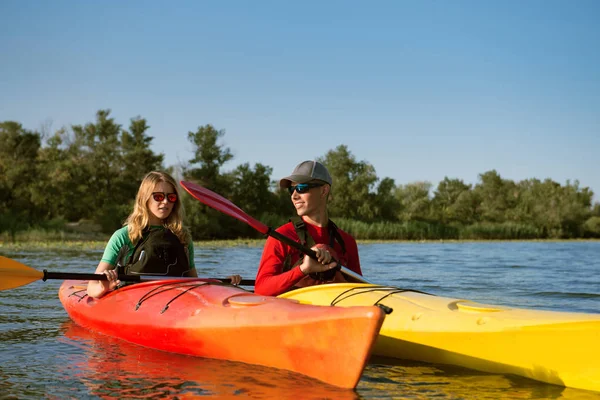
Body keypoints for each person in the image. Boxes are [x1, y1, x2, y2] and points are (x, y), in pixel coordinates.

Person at [87, 171, 242, 298]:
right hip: (135, 300)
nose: (166, 202)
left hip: (176, 301)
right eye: (159, 197)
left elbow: (194, 282)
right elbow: (91, 288)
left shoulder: (182, 236)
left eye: (171, 197)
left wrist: (221, 284)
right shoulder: (124, 236)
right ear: (145, 199)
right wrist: (104, 287)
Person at [255, 160, 362, 296]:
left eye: (301, 188)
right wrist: (303, 269)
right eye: (291, 190)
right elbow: (261, 289)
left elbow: (360, 290)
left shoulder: (347, 242)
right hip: (294, 313)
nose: (294, 196)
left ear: (324, 191)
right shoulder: (281, 236)